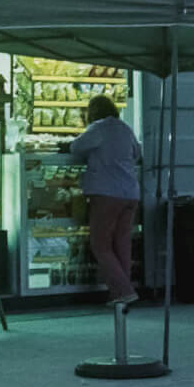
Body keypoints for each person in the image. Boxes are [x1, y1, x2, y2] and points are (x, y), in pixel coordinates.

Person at [61, 94, 143, 305]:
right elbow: (137, 153)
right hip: (131, 193)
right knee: (122, 243)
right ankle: (121, 293)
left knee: (101, 244)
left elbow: (76, 148)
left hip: (107, 193)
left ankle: (124, 290)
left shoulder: (98, 128)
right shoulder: (125, 128)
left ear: (92, 112)